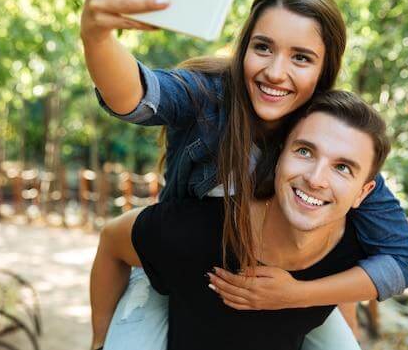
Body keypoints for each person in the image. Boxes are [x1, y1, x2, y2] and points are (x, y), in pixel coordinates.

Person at [81, 0, 408, 350]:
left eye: (301, 57)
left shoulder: (329, 141)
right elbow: (140, 97)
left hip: (287, 283)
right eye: (263, 48)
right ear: (244, 48)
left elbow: (402, 261)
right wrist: (97, 36)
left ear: (324, 71)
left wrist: (295, 294)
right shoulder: (208, 96)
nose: (275, 72)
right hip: (180, 265)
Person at [97, 90, 392, 350]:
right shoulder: (197, 230)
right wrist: (98, 341)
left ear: (362, 193)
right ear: (278, 158)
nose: (316, 180)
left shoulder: (355, 248)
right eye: (304, 151)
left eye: (342, 168)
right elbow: (112, 239)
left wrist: (301, 297)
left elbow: (343, 305)